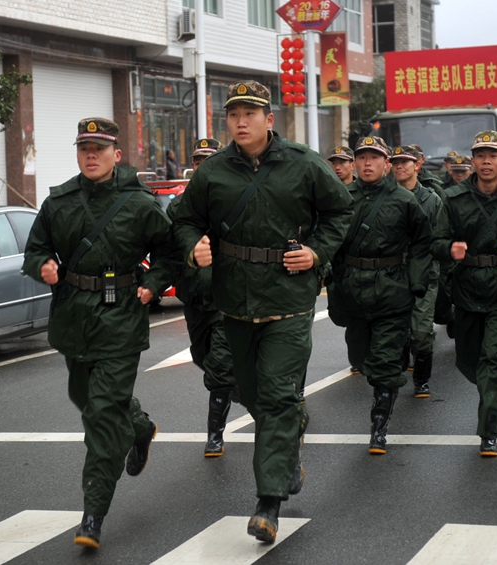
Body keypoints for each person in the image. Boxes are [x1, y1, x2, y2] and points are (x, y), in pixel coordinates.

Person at [173, 82, 353, 543]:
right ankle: (288, 442)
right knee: (252, 396)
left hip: (288, 303)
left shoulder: (304, 164)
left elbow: (340, 213)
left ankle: (268, 503)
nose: (241, 120)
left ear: (269, 119)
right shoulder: (212, 172)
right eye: (234, 113)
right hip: (234, 304)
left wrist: (316, 253)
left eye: (250, 112)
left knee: (274, 397)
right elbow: (185, 217)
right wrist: (194, 245)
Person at [23, 117, 177, 548]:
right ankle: (141, 426)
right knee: (85, 396)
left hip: (120, 317)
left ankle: (93, 514)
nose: (90, 155)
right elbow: (35, 249)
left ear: (116, 154)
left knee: (102, 416)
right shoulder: (59, 202)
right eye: (83, 148)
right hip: (73, 315)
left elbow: (169, 252)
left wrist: (153, 283)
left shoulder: (139, 202)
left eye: (99, 148)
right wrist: (44, 267)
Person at [431, 131, 497, 456]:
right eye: (481, 155)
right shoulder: (452, 199)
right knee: (468, 362)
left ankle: (488, 430)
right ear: (473, 161)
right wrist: (450, 248)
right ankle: (490, 388)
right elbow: (434, 243)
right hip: (466, 291)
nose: (486, 161)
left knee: (493, 360)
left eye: (493, 155)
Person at [327, 136, 432, 454]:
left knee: (385, 364)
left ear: (386, 164)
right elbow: (329, 239)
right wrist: (331, 277)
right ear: (355, 163)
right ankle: (380, 392)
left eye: (375, 157)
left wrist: (415, 284)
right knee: (361, 358)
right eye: (362, 158)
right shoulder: (342, 197)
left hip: (391, 290)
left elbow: (422, 244)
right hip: (353, 290)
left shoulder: (404, 200)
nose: (367, 163)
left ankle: (379, 425)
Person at [166, 137, 241, 458]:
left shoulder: (234, 199)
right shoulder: (177, 206)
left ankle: (215, 435)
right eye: (197, 161)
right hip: (195, 299)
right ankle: (263, 402)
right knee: (202, 358)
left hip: (227, 299)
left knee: (221, 368)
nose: (201, 166)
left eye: (208, 160)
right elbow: (167, 247)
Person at [391, 144, 444, 397]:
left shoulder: (432, 199)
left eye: (405, 162)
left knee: (422, 331)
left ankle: (422, 379)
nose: (400, 166)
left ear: (417, 166)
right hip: (392, 273)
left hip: (425, 273)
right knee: (397, 328)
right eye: (396, 162)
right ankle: (400, 359)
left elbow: (440, 236)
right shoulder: (386, 196)